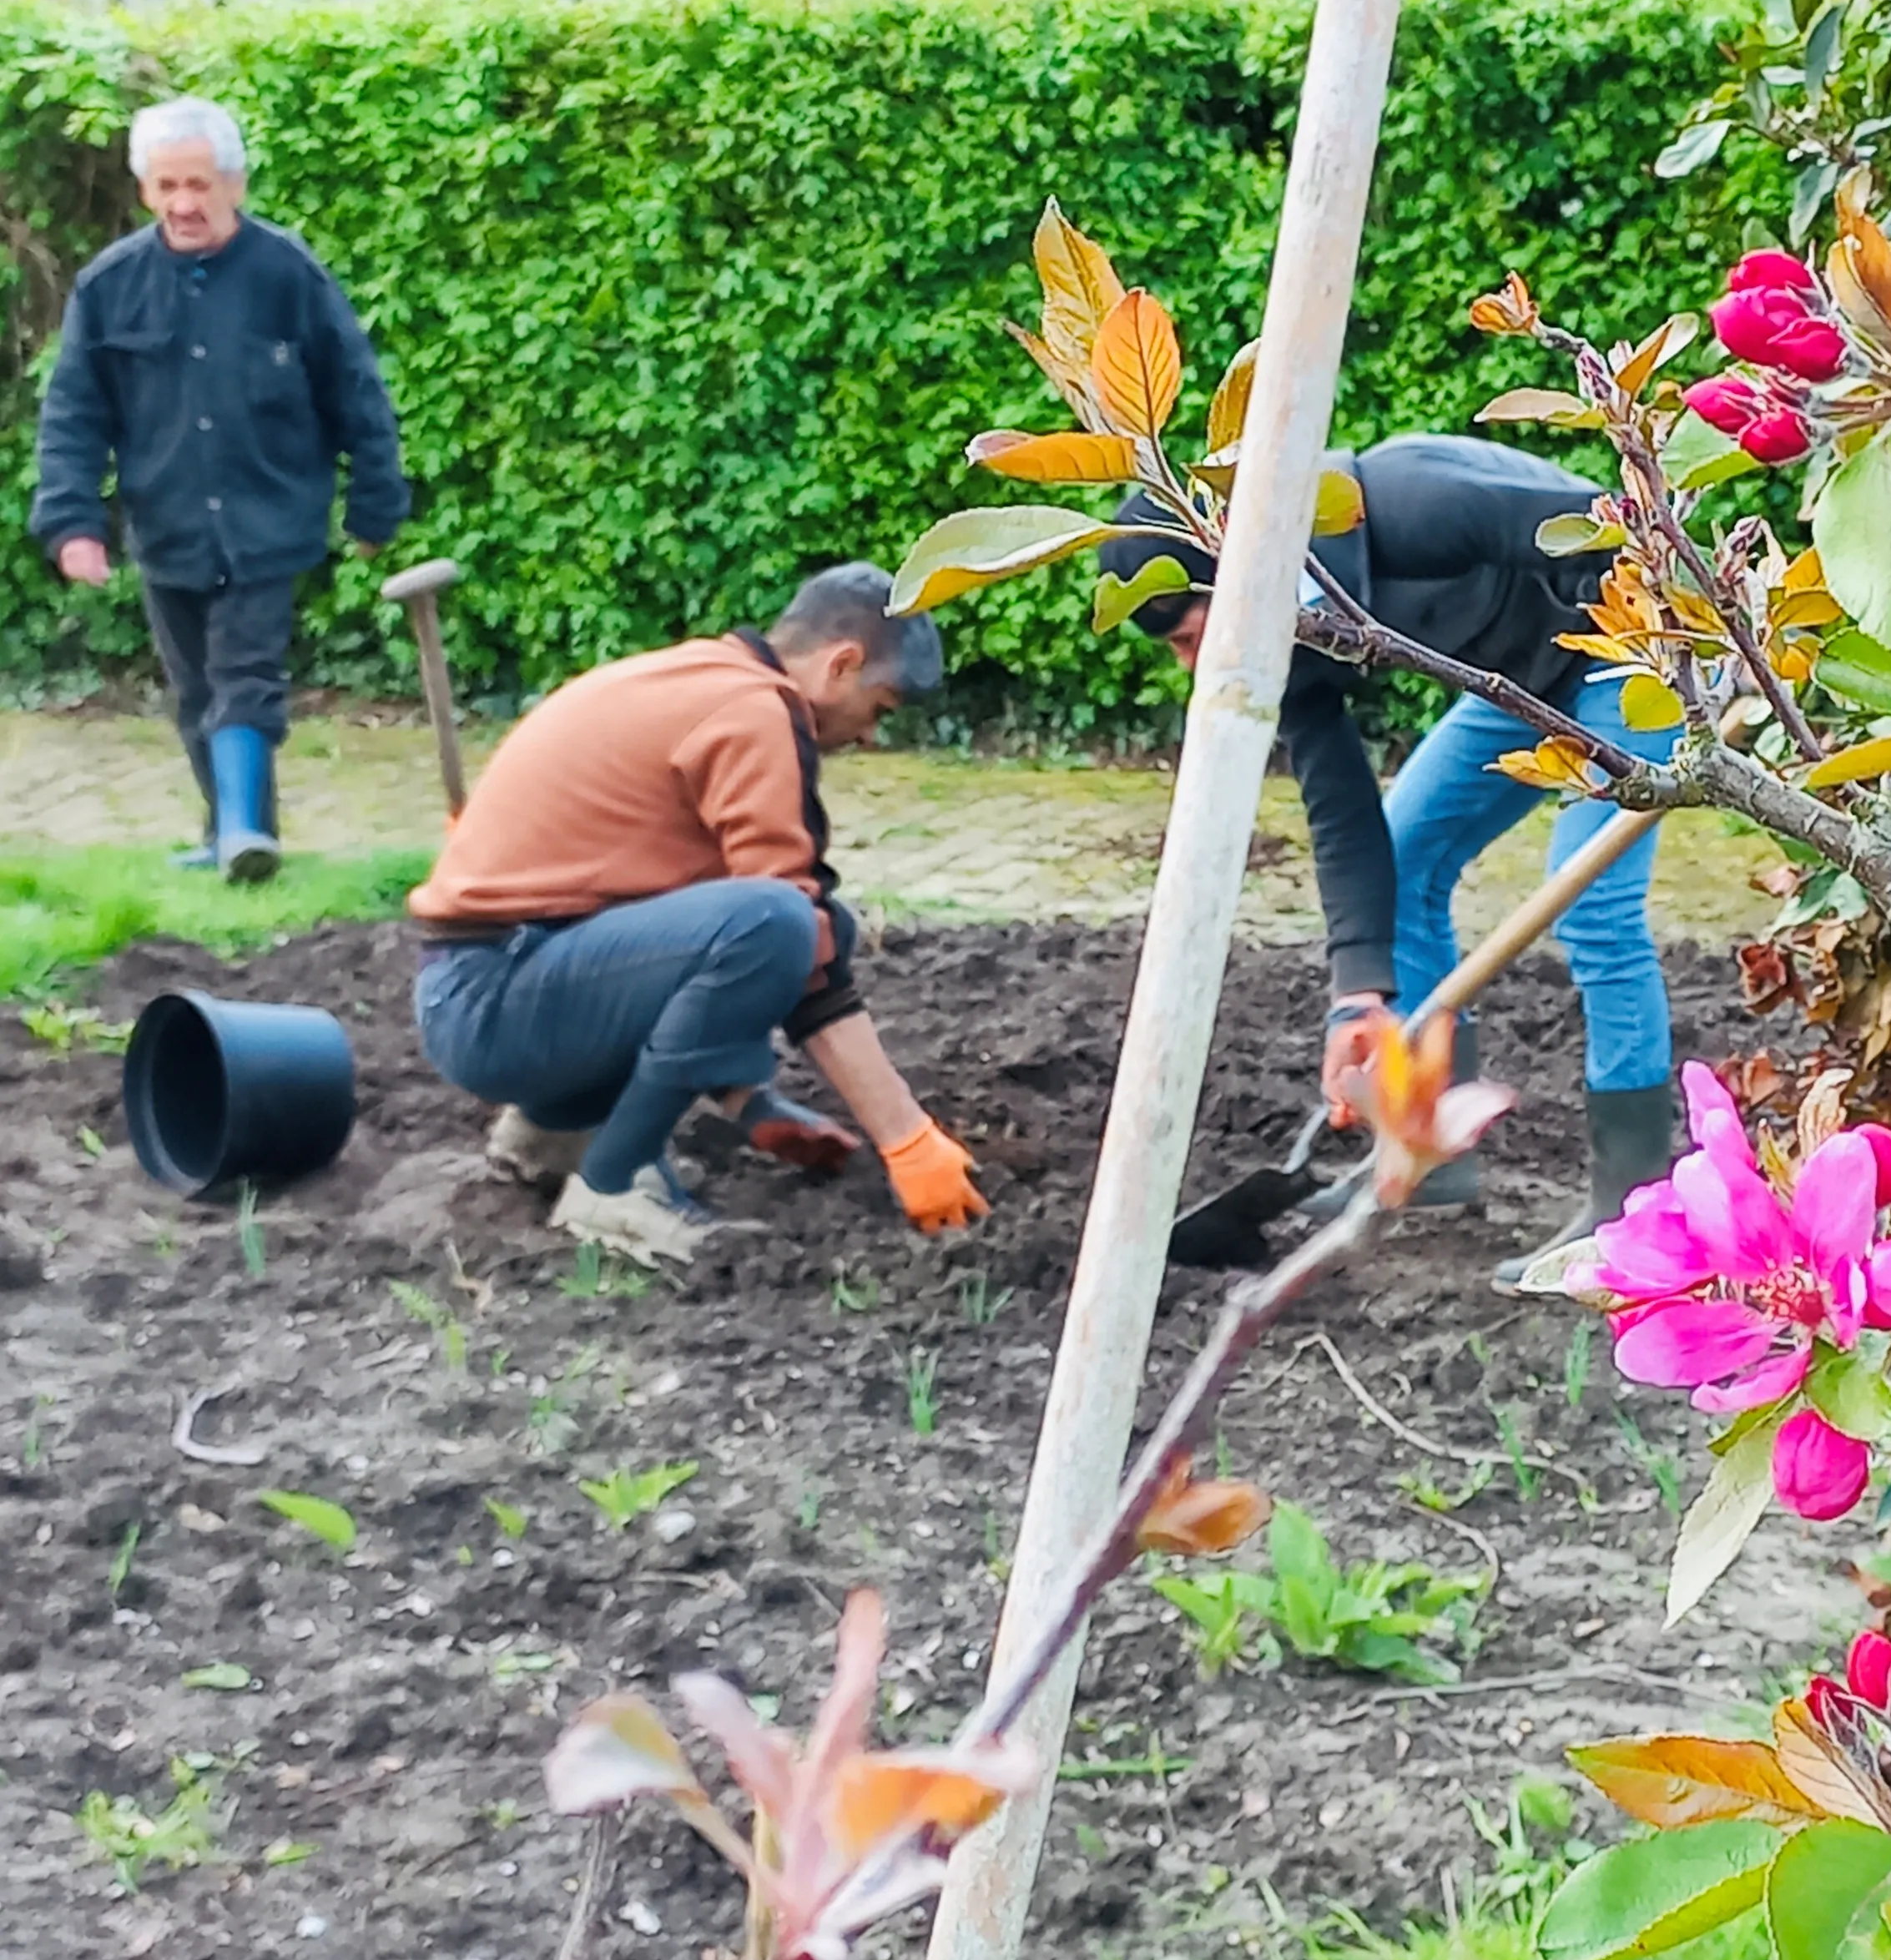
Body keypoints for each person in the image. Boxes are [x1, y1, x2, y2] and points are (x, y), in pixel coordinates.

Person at [1101, 433, 1682, 1272]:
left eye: (1192, 636)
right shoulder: (1286, 636)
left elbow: (1610, 528)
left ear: (1238, 583)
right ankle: (1428, 1150)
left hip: (1633, 648)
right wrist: (1355, 998)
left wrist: (1713, 636)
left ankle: (1629, 1207)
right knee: (1404, 857)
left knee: (1592, 904)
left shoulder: (1407, 505)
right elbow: (1343, 818)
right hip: (1524, 676)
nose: (1194, 666)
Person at [407, 564, 989, 1262]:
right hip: (494, 1002)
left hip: (491, 985)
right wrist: (907, 1139)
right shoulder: (754, 712)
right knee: (778, 922)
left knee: (804, 920)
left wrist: (752, 1104)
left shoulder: (707, 679)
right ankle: (612, 1186)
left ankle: (557, 1128)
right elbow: (786, 938)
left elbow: (685, 929)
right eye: (880, 709)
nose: (870, 737)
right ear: (841, 664)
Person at [29, 95, 410, 883]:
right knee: (196, 688)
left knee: (244, 674)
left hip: (269, 519)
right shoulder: (110, 286)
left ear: (234, 184)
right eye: (167, 186)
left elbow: (355, 392)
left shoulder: (287, 274)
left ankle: (240, 831)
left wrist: (374, 504)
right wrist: (72, 523)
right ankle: (232, 835)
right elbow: (74, 414)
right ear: (145, 190)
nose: (183, 203)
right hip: (167, 523)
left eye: (199, 185)